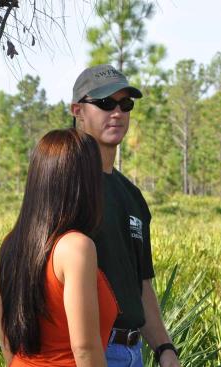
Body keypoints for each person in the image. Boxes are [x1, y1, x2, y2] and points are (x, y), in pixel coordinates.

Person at [70, 64, 180, 367]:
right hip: (86, 352)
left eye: (125, 104)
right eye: (105, 104)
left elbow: (141, 284)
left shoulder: (132, 197)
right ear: (77, 110)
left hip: (132, 353)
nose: (117, 112)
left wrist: (164, 348)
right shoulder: (66, 184)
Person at [0, 128, 116, 366]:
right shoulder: (76, 247)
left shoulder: (11, 245)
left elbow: (6, 340)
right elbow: (84, 348)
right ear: (84, 183)